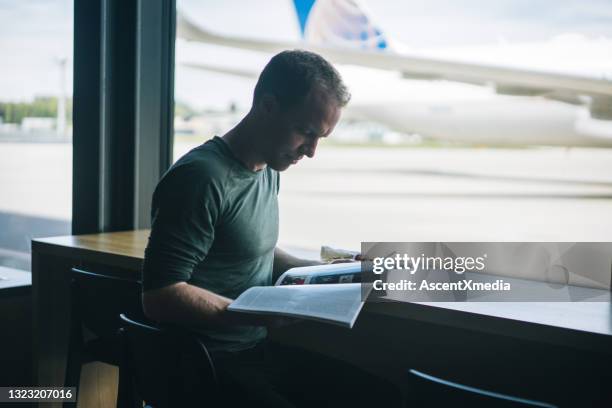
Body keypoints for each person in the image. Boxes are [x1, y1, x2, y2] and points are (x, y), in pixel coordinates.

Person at [141, 50, 400, 407]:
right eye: (305, 132)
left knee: (384, 397)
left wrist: (336, 273)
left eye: (320, 138)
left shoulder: (266, 168)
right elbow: (159, 295)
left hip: (253, 350)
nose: (310, 152)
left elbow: (252, 250)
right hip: (204, 362)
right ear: (267, 106)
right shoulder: (201, 178)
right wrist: (252, 314)